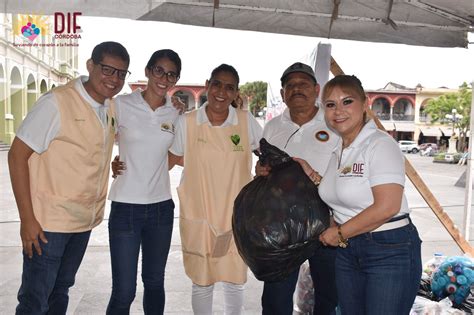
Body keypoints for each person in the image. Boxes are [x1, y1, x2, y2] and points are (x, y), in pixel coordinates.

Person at [8, 41, 130, 314]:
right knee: (34, 300)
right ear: (90, 66)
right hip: (47, 225)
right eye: (108, 70)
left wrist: (106, 164)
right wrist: (27, 220)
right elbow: (16, 155)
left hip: (81, 222)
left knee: (60, 290)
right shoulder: (57, 102)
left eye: (121, 73)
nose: (114, 79)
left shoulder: (108, 108)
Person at [297, 75, 422, 315]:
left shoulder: (380, 144)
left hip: (388, 248)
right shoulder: (339, 149)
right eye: (331, 105)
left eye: (347, 101)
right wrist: (310, 172)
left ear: (365, 104)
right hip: (348, 250)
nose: (338, 111)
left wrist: (339, 233)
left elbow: (388, 206)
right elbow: (344, 191)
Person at [168, 64, 263, 314]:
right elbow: (170, 158)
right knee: (202, 280)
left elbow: (267, 156)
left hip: (235, 217)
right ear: (208, 84)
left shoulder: (245, 122)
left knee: (234, 279)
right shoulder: (188, 122)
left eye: (229, 87)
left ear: (235, 93)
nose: (222, 92)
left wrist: (263, 169)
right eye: (217, 84)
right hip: (200, 215)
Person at [255, 62, 339, 315]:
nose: (296, 89)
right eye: (290, 85)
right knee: (275, 298)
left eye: (303, 84)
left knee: (329, 294)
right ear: (282, 94)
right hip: (284, 226)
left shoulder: (335, 123)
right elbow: (264, 171)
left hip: (328, 221)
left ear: (316, 90)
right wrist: (260, 172)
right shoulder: (272, 127)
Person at [106, 49, 182, 314]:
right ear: (148, 71)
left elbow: (181, 155)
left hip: (161, 209)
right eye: (159, 70)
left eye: (171, 74)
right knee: (124, 291)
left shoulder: (175, 115)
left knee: (154, 283)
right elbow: (98, 140)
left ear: (176, 80)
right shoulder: (121, 104)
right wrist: (111, 162)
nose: (164, 78)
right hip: (125, 207)